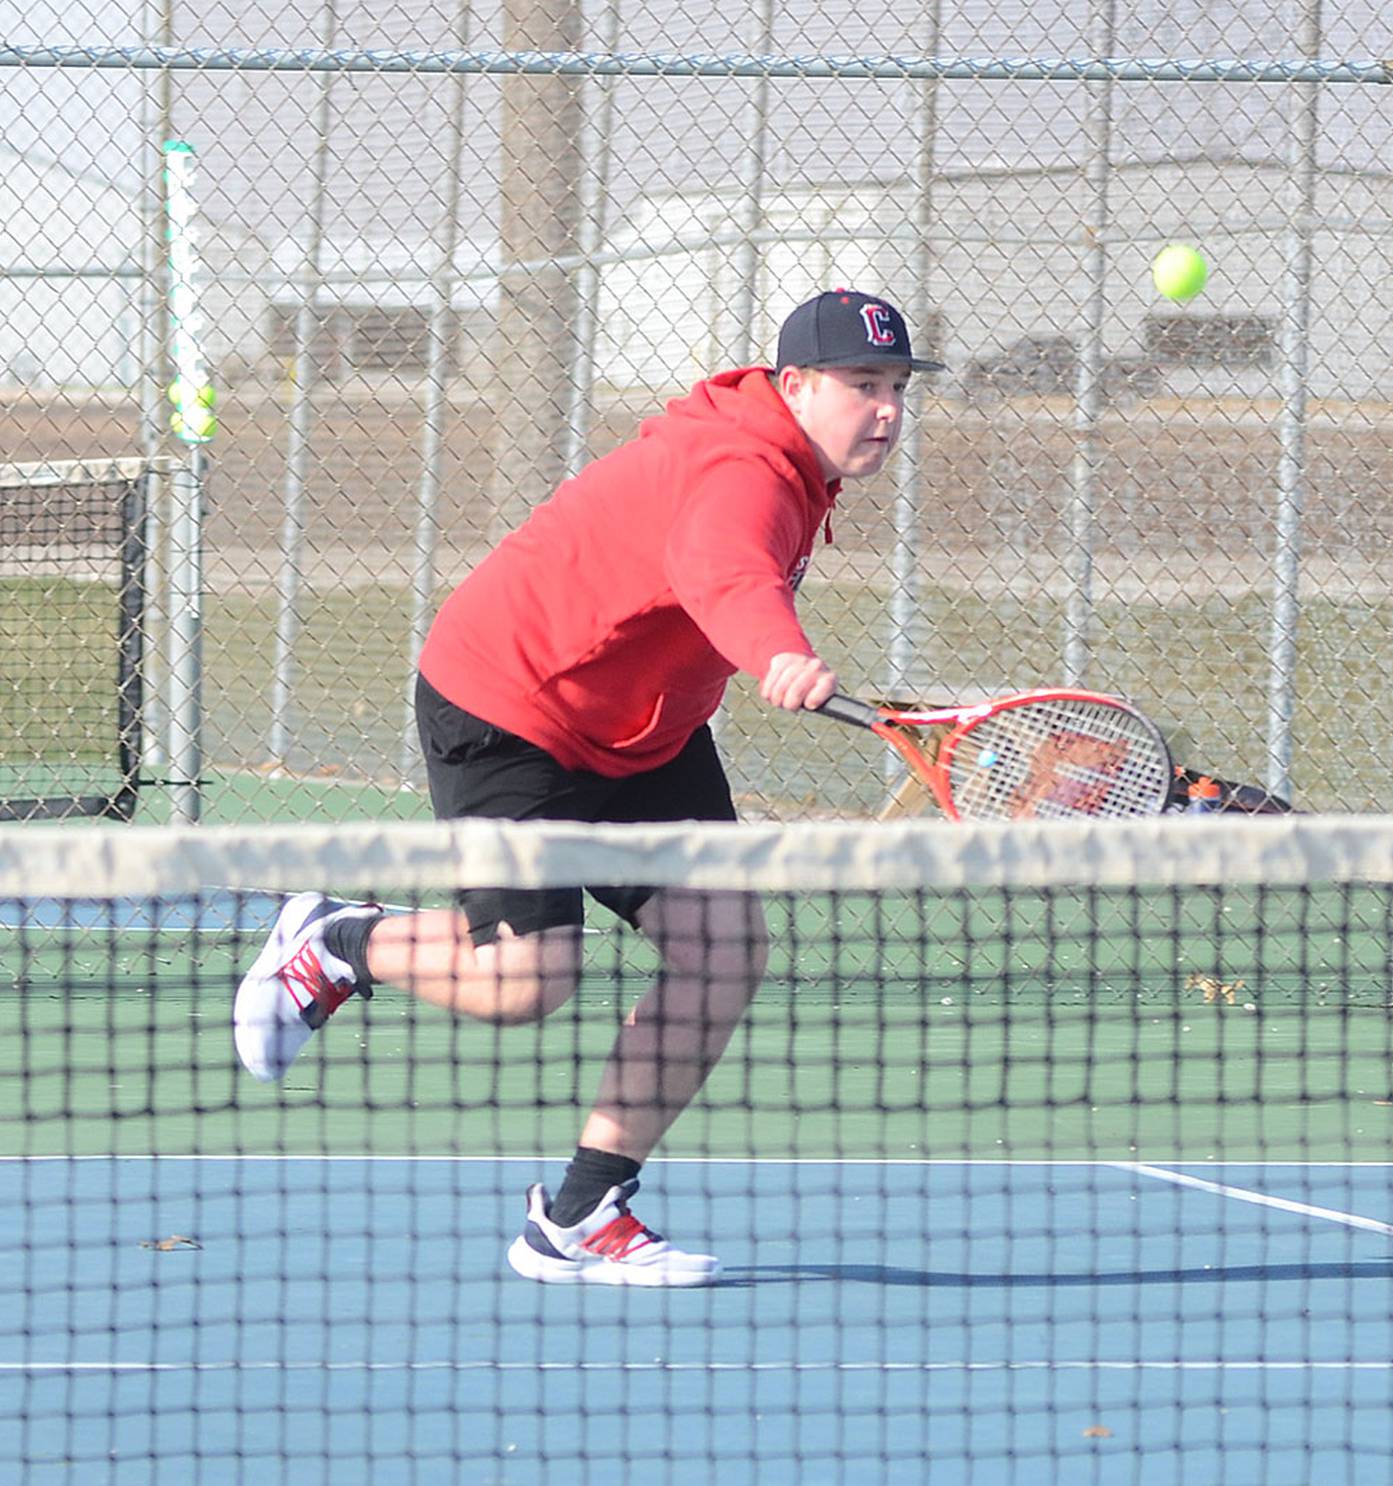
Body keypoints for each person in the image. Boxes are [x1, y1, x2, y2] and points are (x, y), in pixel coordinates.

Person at [233, 288, 945, 1286]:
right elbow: (722, 571)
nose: (888, 410)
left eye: (900, 387)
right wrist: (778, 651)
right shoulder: (746, 471)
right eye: (863, 385)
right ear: (795, 386)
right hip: (510, 706)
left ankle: (580, 1214)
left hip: (640, 732)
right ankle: (337, 941)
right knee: (526, 979)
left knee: (723, 948)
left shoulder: (794, 466)